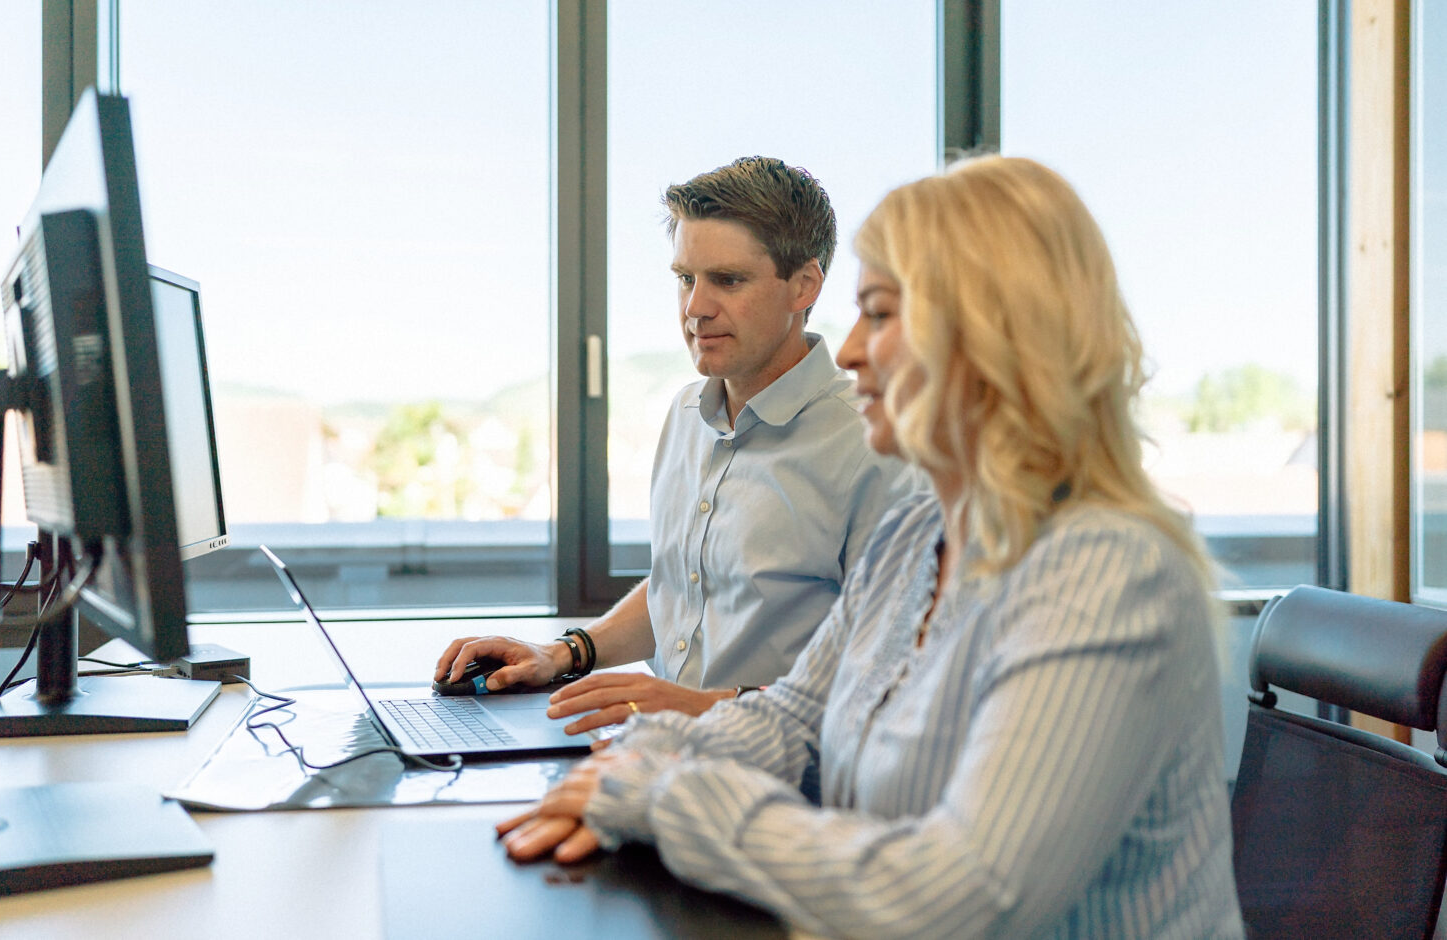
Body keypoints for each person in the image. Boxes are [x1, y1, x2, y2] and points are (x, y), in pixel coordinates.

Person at [494, 156, 1245, 938]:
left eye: (880, 315)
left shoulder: (1108, 572)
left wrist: (665, 798)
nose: (849, 352)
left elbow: (965, 893)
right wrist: (639, 757)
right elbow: (789, 721)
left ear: (993, 337)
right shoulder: (919, 538)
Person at [435, 156, 915, 735]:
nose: (695, 308)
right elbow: (684, 589)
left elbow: (889, 671)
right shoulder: (687, 414)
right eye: (686, 278)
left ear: (804, 286)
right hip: (654, 754)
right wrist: (562, 655)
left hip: (781, 774)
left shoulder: (873, 445)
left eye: (728, 280)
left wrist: (706, 709)